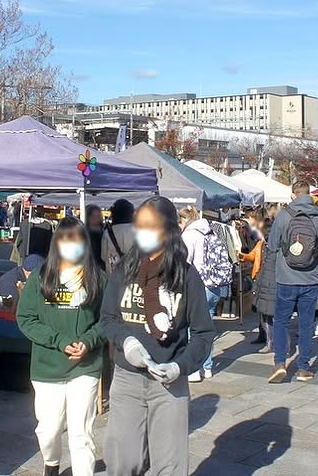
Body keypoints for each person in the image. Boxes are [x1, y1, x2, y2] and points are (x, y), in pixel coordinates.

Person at [100, 196, 215, 476]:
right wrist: (125, 342)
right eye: (140, 226)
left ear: (167, 229)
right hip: (127, 378)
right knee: (123, 462)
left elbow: (203, 333)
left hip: (169, 383)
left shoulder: (186, 277)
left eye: (151, 226)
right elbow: (107, 318)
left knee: (170, 464)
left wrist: (180, 367)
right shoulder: (125, 269)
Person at [16, 217, 106, 476]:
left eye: (77, 240)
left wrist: (88, 342)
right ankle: (51, 463)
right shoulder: (41, 278)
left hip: (85, 367)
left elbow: (108, 319)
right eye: (66, 240)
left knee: (81, 433)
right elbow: (26, 318)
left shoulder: (98, 278)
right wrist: (60, 341)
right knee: (49, 429)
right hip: (48, 368)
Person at [267, 181, 318, 383]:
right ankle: (303, 367)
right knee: (306, 322)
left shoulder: (285, 214)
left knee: (281, 321)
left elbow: (273, 245)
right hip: (310, 278)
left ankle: (280, 363)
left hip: (286, 277)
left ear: (293, 194)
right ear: (309, 194)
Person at [179, 205, 232, 381]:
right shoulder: (211, 231)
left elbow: (185, 262)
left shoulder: (189, 235)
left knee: (191, 328)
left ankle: (194, 368)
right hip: (214, 285)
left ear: (185, 219)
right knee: (206, 327)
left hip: (197, 286)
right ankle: (207, 366)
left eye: (180, 220)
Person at [243, 218, 277, 353]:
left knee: (268, 314)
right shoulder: (261, 244)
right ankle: (263, 336)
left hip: (268, 282)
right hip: (260, 279)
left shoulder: (270, 246)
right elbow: (253, 256)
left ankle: (271, 342)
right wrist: (242, 256)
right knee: (262, 312)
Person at [104, 199, 135, 271]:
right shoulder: (139, 230)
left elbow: (104, 256)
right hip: (135, 271)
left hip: (115, 272)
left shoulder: (108, 232)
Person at [84, 204, 108, 271]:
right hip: (89, 266)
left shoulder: (104, 231)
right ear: (88, 217)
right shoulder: (84, 233)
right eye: (93, 216)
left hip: (102, 267)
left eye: (98, 216)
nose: (96, 218)